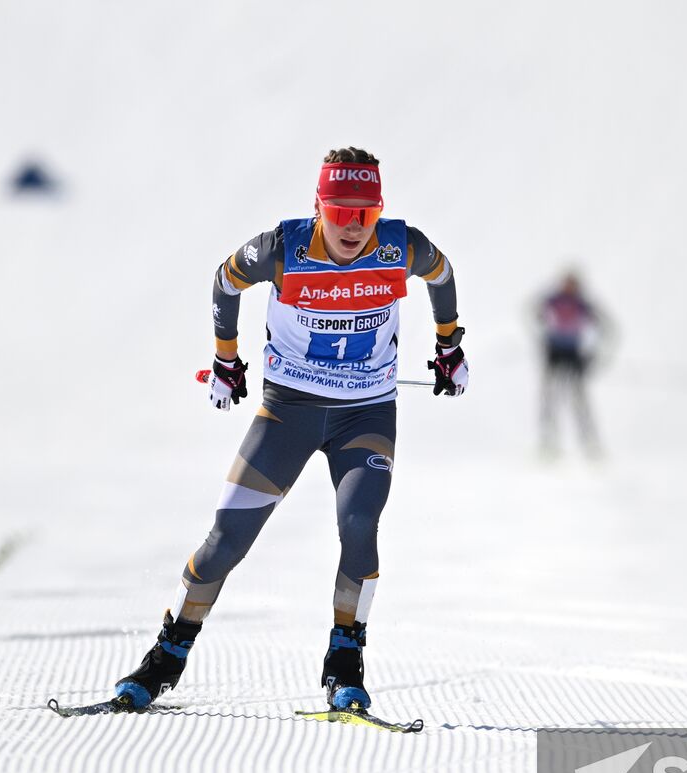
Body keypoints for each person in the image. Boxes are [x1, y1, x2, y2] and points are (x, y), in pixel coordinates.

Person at [113, 147, 466, 713]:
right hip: (288, 411)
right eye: (339, 212)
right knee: (227, 540)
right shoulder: (282, 248)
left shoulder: (402, 246)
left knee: (359, 525)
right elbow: (224, 283)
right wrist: (226, 360)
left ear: (381, 211)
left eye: (366, 214)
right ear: (318, 206)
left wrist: (450, 345)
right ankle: (165, 658)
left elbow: (441, 274)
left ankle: (345, 664)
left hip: (365, 414)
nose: (353, 227)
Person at [536, 270, 610, 457]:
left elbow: (602, 324)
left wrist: (593, 352)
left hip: (573, 353)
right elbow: (536, 313)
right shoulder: (554, 299)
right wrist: (543, 331)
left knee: (579, 398)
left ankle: (589, 442)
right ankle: (548, 441)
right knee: (550, 396)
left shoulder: (581, 303)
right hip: (555, 351)